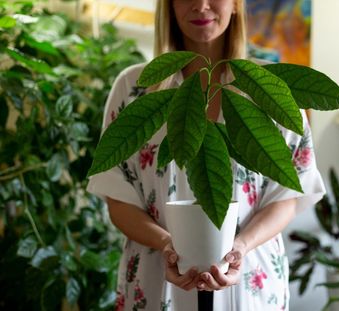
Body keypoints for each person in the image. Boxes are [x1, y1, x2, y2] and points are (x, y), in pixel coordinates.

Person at [87, 0, 325, 310]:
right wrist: (169, 246)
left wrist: (239, 247)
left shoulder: (270, 91)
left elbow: (288, 194)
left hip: (249, 280)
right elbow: (117, 196)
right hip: (156, 279)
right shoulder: (134, 88)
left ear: (237, 4)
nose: (201, 5)